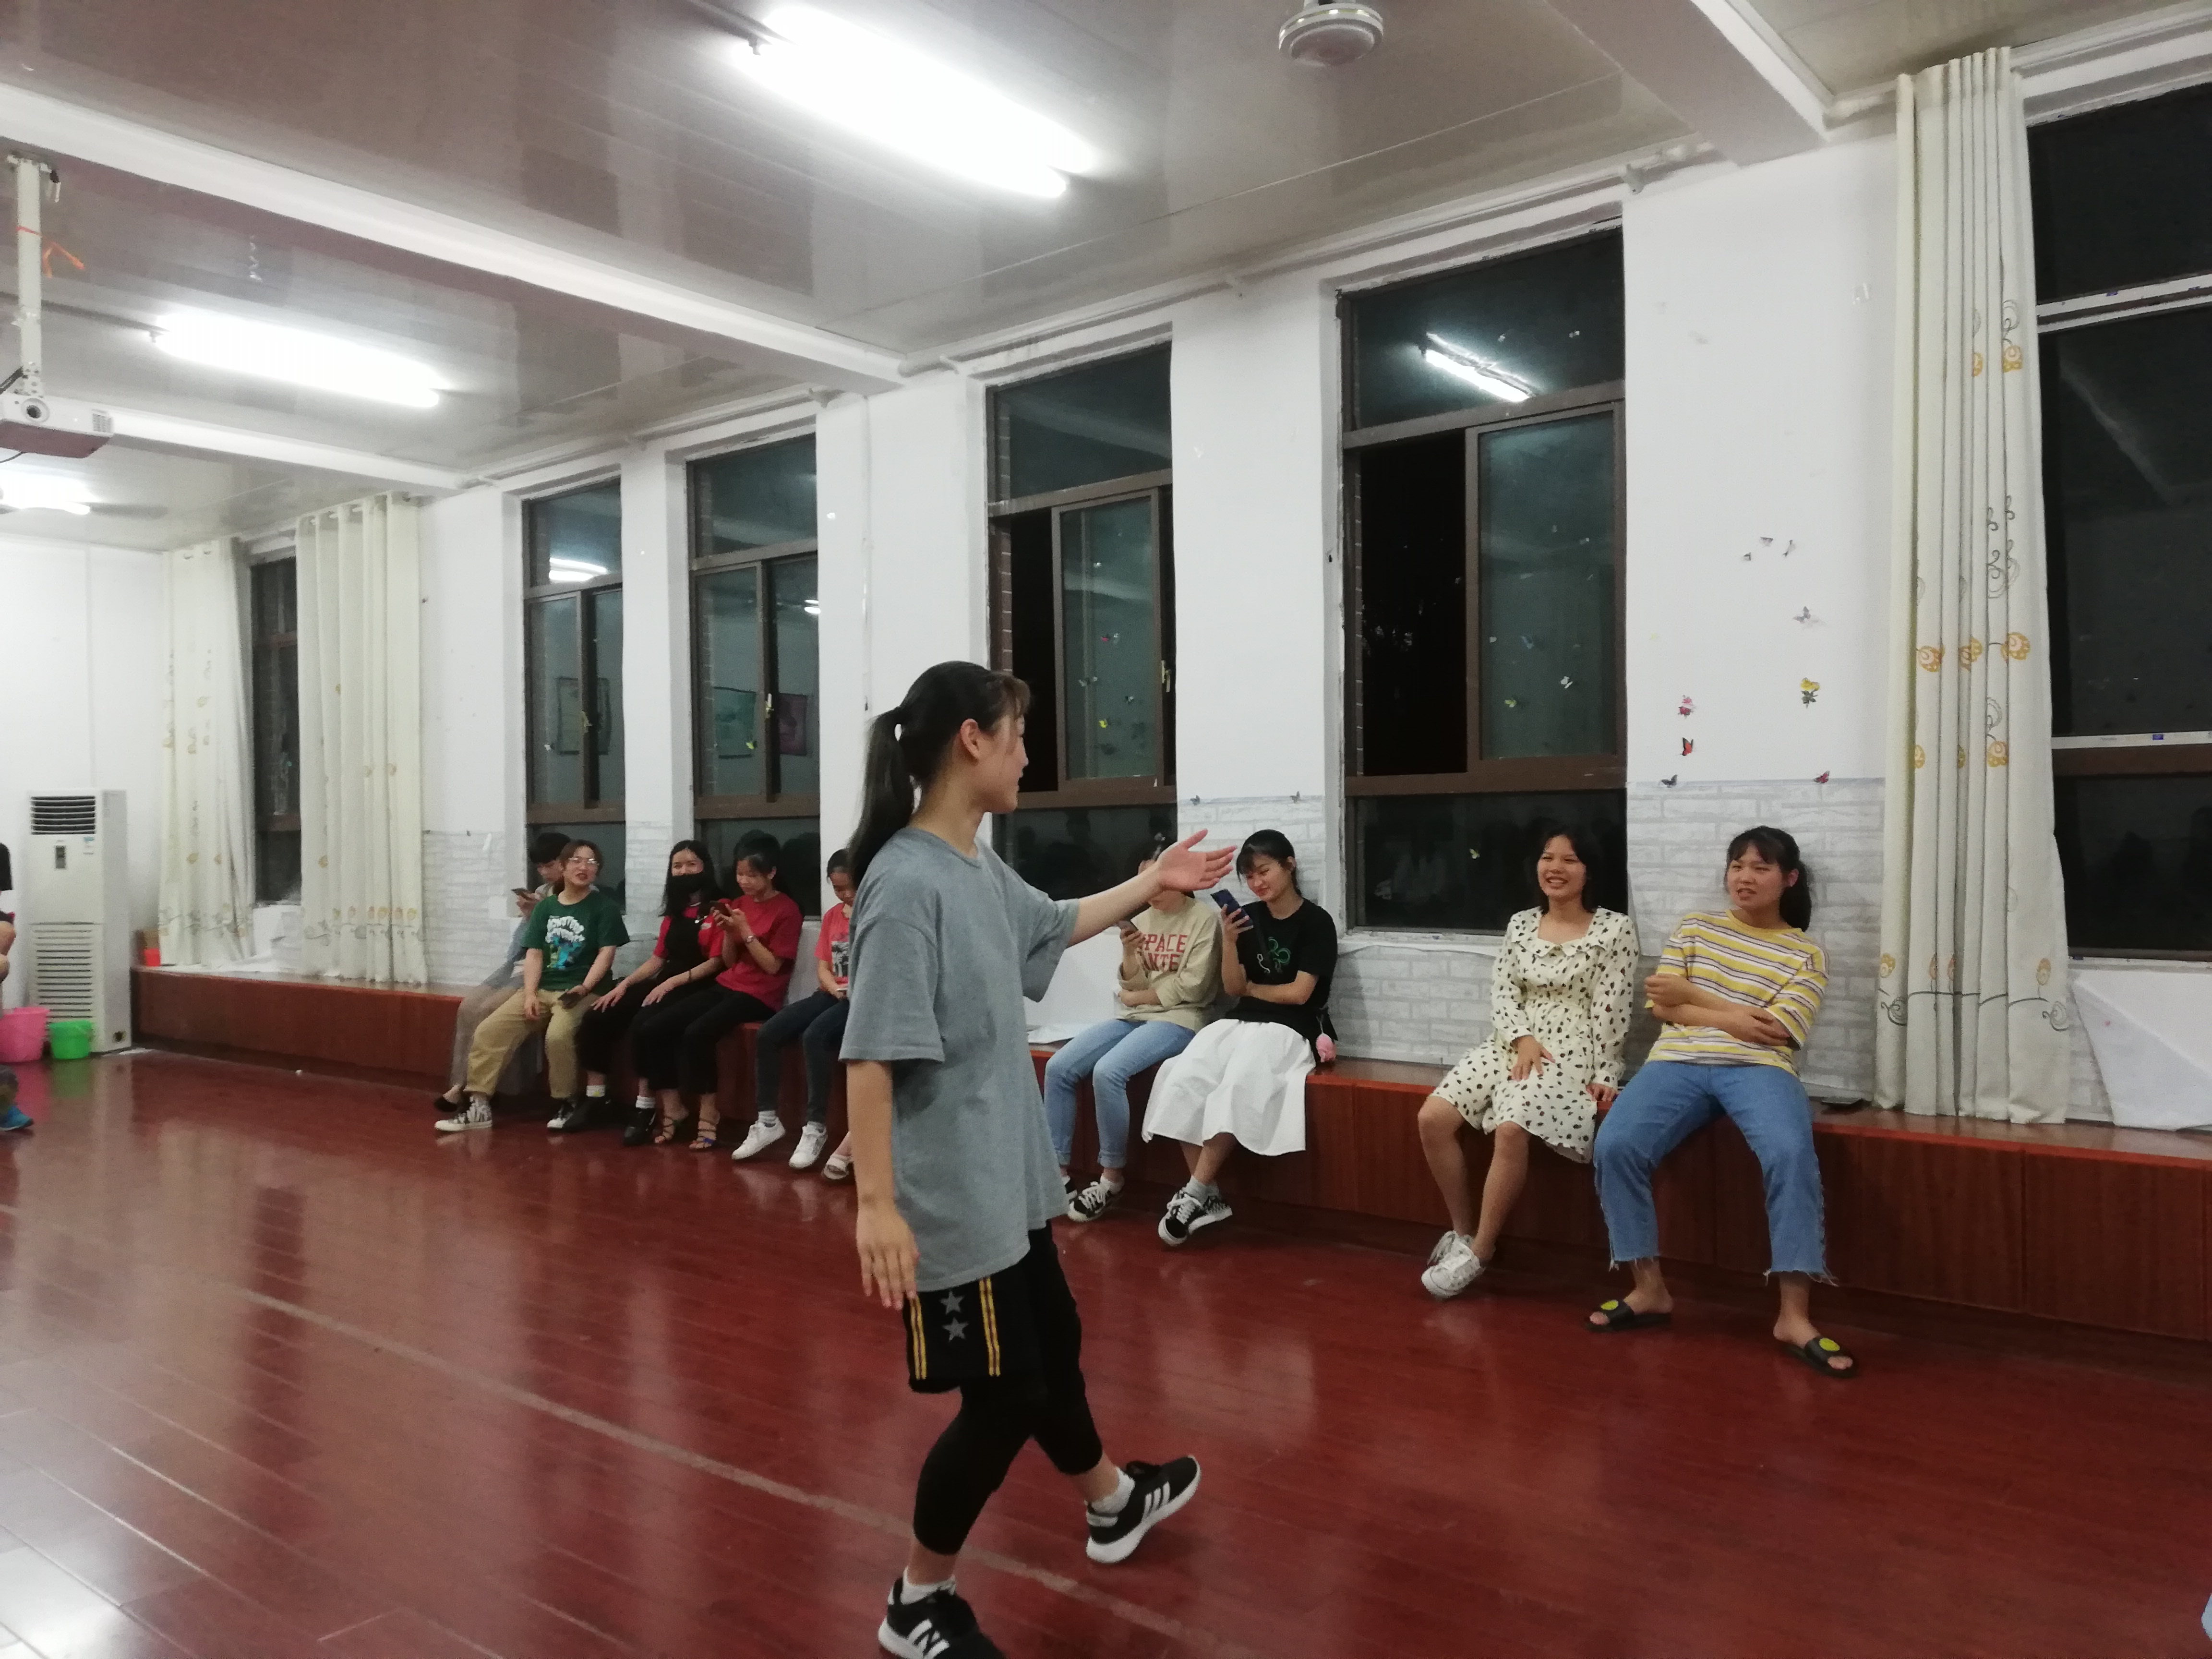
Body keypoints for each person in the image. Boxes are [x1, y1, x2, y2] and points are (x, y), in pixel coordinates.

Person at [842, 661, 1215, 1659]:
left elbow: (1053, 924)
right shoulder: (904, 885)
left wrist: (1153, 883)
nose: (1026, 756)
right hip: (952, 1199)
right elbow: (869, 1058)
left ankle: (1112, 1502)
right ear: (972, 740)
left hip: (1009, 1182)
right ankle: (916, 1601)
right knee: (1004, 1395)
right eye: (1016, 736)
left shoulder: (972, 864)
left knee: (1052, 1340)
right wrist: (876, 1204)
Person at [1586, 826, 1856, 1379]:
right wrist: (1734, 1016)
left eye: (1760, 867)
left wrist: (1695, 998)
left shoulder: (1805, 953)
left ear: (1789, 879)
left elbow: (1776, 1032)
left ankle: (1793, 1316)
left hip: (1761, 1069)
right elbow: (1663, 1006)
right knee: (1615, 1145)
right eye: (1737, 865)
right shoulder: (1696, 928)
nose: (1744, 877)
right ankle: (1649, 1289)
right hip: (1677, 1062)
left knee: (1791, 1156)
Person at [1415, 827, 1637, 1298]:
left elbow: (1613, 1006)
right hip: (1512, 1040)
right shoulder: (1520, 924)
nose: (1555, 868)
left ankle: (1482, 1252)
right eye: (1547, 858)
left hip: (1572, 1047)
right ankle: (1463, 1233)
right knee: (1432, 1118)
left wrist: (1607, 1072)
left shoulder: (1614, 929)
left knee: (1512, 1125)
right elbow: (1503, 991)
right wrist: (1523, 1038)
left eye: (1570, 860)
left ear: (1590, 870)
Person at [1141, 830, 1337, 1247]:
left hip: (1293, 1026)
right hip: (1241, 1020)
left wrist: (1253, 989)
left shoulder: (1317, 922)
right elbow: (1233, 988)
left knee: (1239, 1081)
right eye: (1249, 876)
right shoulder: (1246, 917)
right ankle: (1208, 1194)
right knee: (1180, 1074)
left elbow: (1300, 994)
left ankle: (1195, 1192)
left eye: (1264, 871)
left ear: (1289, 865)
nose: (1257, 882)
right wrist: (1229, 942)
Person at [1044, 837, 1223, 1223]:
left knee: (1109, 1072)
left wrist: (1136, 998)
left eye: (1157, 879)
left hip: (1182, 1019)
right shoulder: (1140, 921)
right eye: (1144, 881)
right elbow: (1130, 984)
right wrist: (1129, 954)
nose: (1150, 889)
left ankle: (1111, 1178)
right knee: (1059, 1067)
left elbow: (1193, 989)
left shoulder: (1204, 920)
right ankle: (1057, 1176)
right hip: (1134, 1017)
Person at [436, 841, 628, 1133]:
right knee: (489, 1030)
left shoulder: (605, 907)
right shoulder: (546, 908)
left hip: (583, 991)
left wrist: (585, 987)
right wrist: (528, 995)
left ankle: (566, 1101)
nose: (584, 867)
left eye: (592, 863)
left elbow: (606, 953)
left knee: (558, 1036)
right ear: (563, 867)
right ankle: (478, 1105)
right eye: (577, 861)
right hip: (542, 988)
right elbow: (535, 954)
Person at [641, 842, 802, 1151]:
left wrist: (746, 930)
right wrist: (729, 932)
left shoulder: (787, 910)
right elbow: (729, 962)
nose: (744, 882)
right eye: (740, 875)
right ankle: (673, 1108)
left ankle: (709, 1113)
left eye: (752, 875)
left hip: (761, 995)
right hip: (728, 984)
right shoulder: (739, 903)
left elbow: (772, 966)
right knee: (655, 1028)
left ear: (771, 874)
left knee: (697, 1033)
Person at [559, 841, 722, 1135]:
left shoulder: (719, 908)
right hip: (666, 980)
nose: (684, 871)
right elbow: (658, 958)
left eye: (692, 864)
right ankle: (596, 1099)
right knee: (598, 1014)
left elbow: (717, 961)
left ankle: (645, 1107)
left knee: (644, 1024)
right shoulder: (675, 912)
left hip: (698, 984)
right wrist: (623, 986)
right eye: (677, 866)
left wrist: (672, 982)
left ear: (705, 867)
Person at [429, 830, 571, 1116]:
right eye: (540, 867)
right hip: (520, 960)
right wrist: (530, 915)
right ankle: (461, 1083)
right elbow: (522, 943)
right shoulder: (543, 892)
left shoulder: (580, 896)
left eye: (549, 865)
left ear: (565, 861)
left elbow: (565, 944)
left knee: (490, 1010)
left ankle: (475, 1089)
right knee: (469, 1007)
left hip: (547, 965)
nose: (544, 872)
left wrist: (540, 914)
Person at [731, 848, 856, 1169]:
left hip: (860, 999)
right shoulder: (833, 917)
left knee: (815, 1036)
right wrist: (834, 989)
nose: (845, 895)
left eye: (849, 887)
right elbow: (823, 967)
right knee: (769, 1033)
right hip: (832, 992)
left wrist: (849, 993)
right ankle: (767, 1121)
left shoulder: (874, 916)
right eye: (838, 888)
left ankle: (815, 1127)